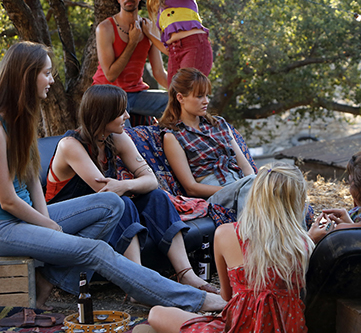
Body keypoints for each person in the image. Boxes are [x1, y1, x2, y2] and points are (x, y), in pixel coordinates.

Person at [0, 41, 225, 312]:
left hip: (30, 217)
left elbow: (31, 180)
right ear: (26, 76)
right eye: (46, 73)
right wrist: (50, 227)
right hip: (6, 227)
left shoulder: (22, 121)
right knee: (96, 250)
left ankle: (45, 283)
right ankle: (194, 300)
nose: (51, 80)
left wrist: (46, 219)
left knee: (113, 204)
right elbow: (7, 200)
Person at [45, 84, 218, 294]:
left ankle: (186, 274)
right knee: (122, 202)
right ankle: (137, 282)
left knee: (157, 197)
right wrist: (123, 188)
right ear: (103, 115)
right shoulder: (70, 145)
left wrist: (125, 184)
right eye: (121, 112)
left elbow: (151, 180)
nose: (127, 116)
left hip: (104, 215)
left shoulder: (115, 137)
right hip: (66, 221)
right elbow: (106, 192)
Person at [146, 162, 315, 333]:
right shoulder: (304, 244)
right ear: (298, 201)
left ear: (254, 194)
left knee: (157, 314)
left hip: (239, 328)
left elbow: (226, 296)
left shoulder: (225, 233)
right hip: (289, 328)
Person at [159, 68, 255, 214]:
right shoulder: (173, 136)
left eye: (207, 95)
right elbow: (191, 187)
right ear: (180, 98)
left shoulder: (219, 124)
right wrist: (234, 189)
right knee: (253, 189)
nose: (206, 101)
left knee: (279, 181)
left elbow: (245, 167)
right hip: (215, 193)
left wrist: (255, 186)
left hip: (242, 183)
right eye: (199, 96)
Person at [95, 0, 169, 119]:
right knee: (124, 131)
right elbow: (110, 75)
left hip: (137, 94)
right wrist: (132, 42)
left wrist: (185, 93)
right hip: (108, 94)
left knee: (178, 103)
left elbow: (159, 73)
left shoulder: (149, 27)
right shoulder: (105, 28)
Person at [143, 0, 213, 85]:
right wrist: (149, 34)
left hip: (193, 45)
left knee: (185, 89)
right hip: (174, 53)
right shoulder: (160, 13)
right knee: (174, 94)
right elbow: (167, 49)